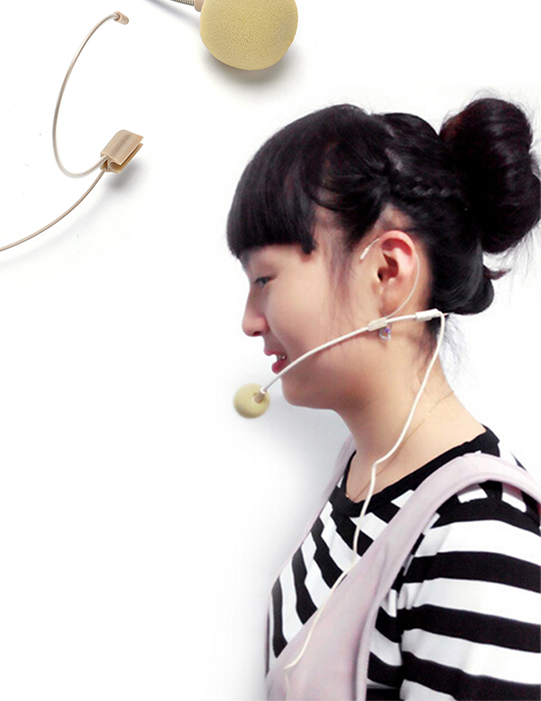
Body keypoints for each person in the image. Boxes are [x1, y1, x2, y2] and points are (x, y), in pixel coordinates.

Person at [227, 97, 541, 700]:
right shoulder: (361, 470)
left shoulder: (479, 538)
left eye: (265, 279)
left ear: (388, 272)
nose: (249, 320)